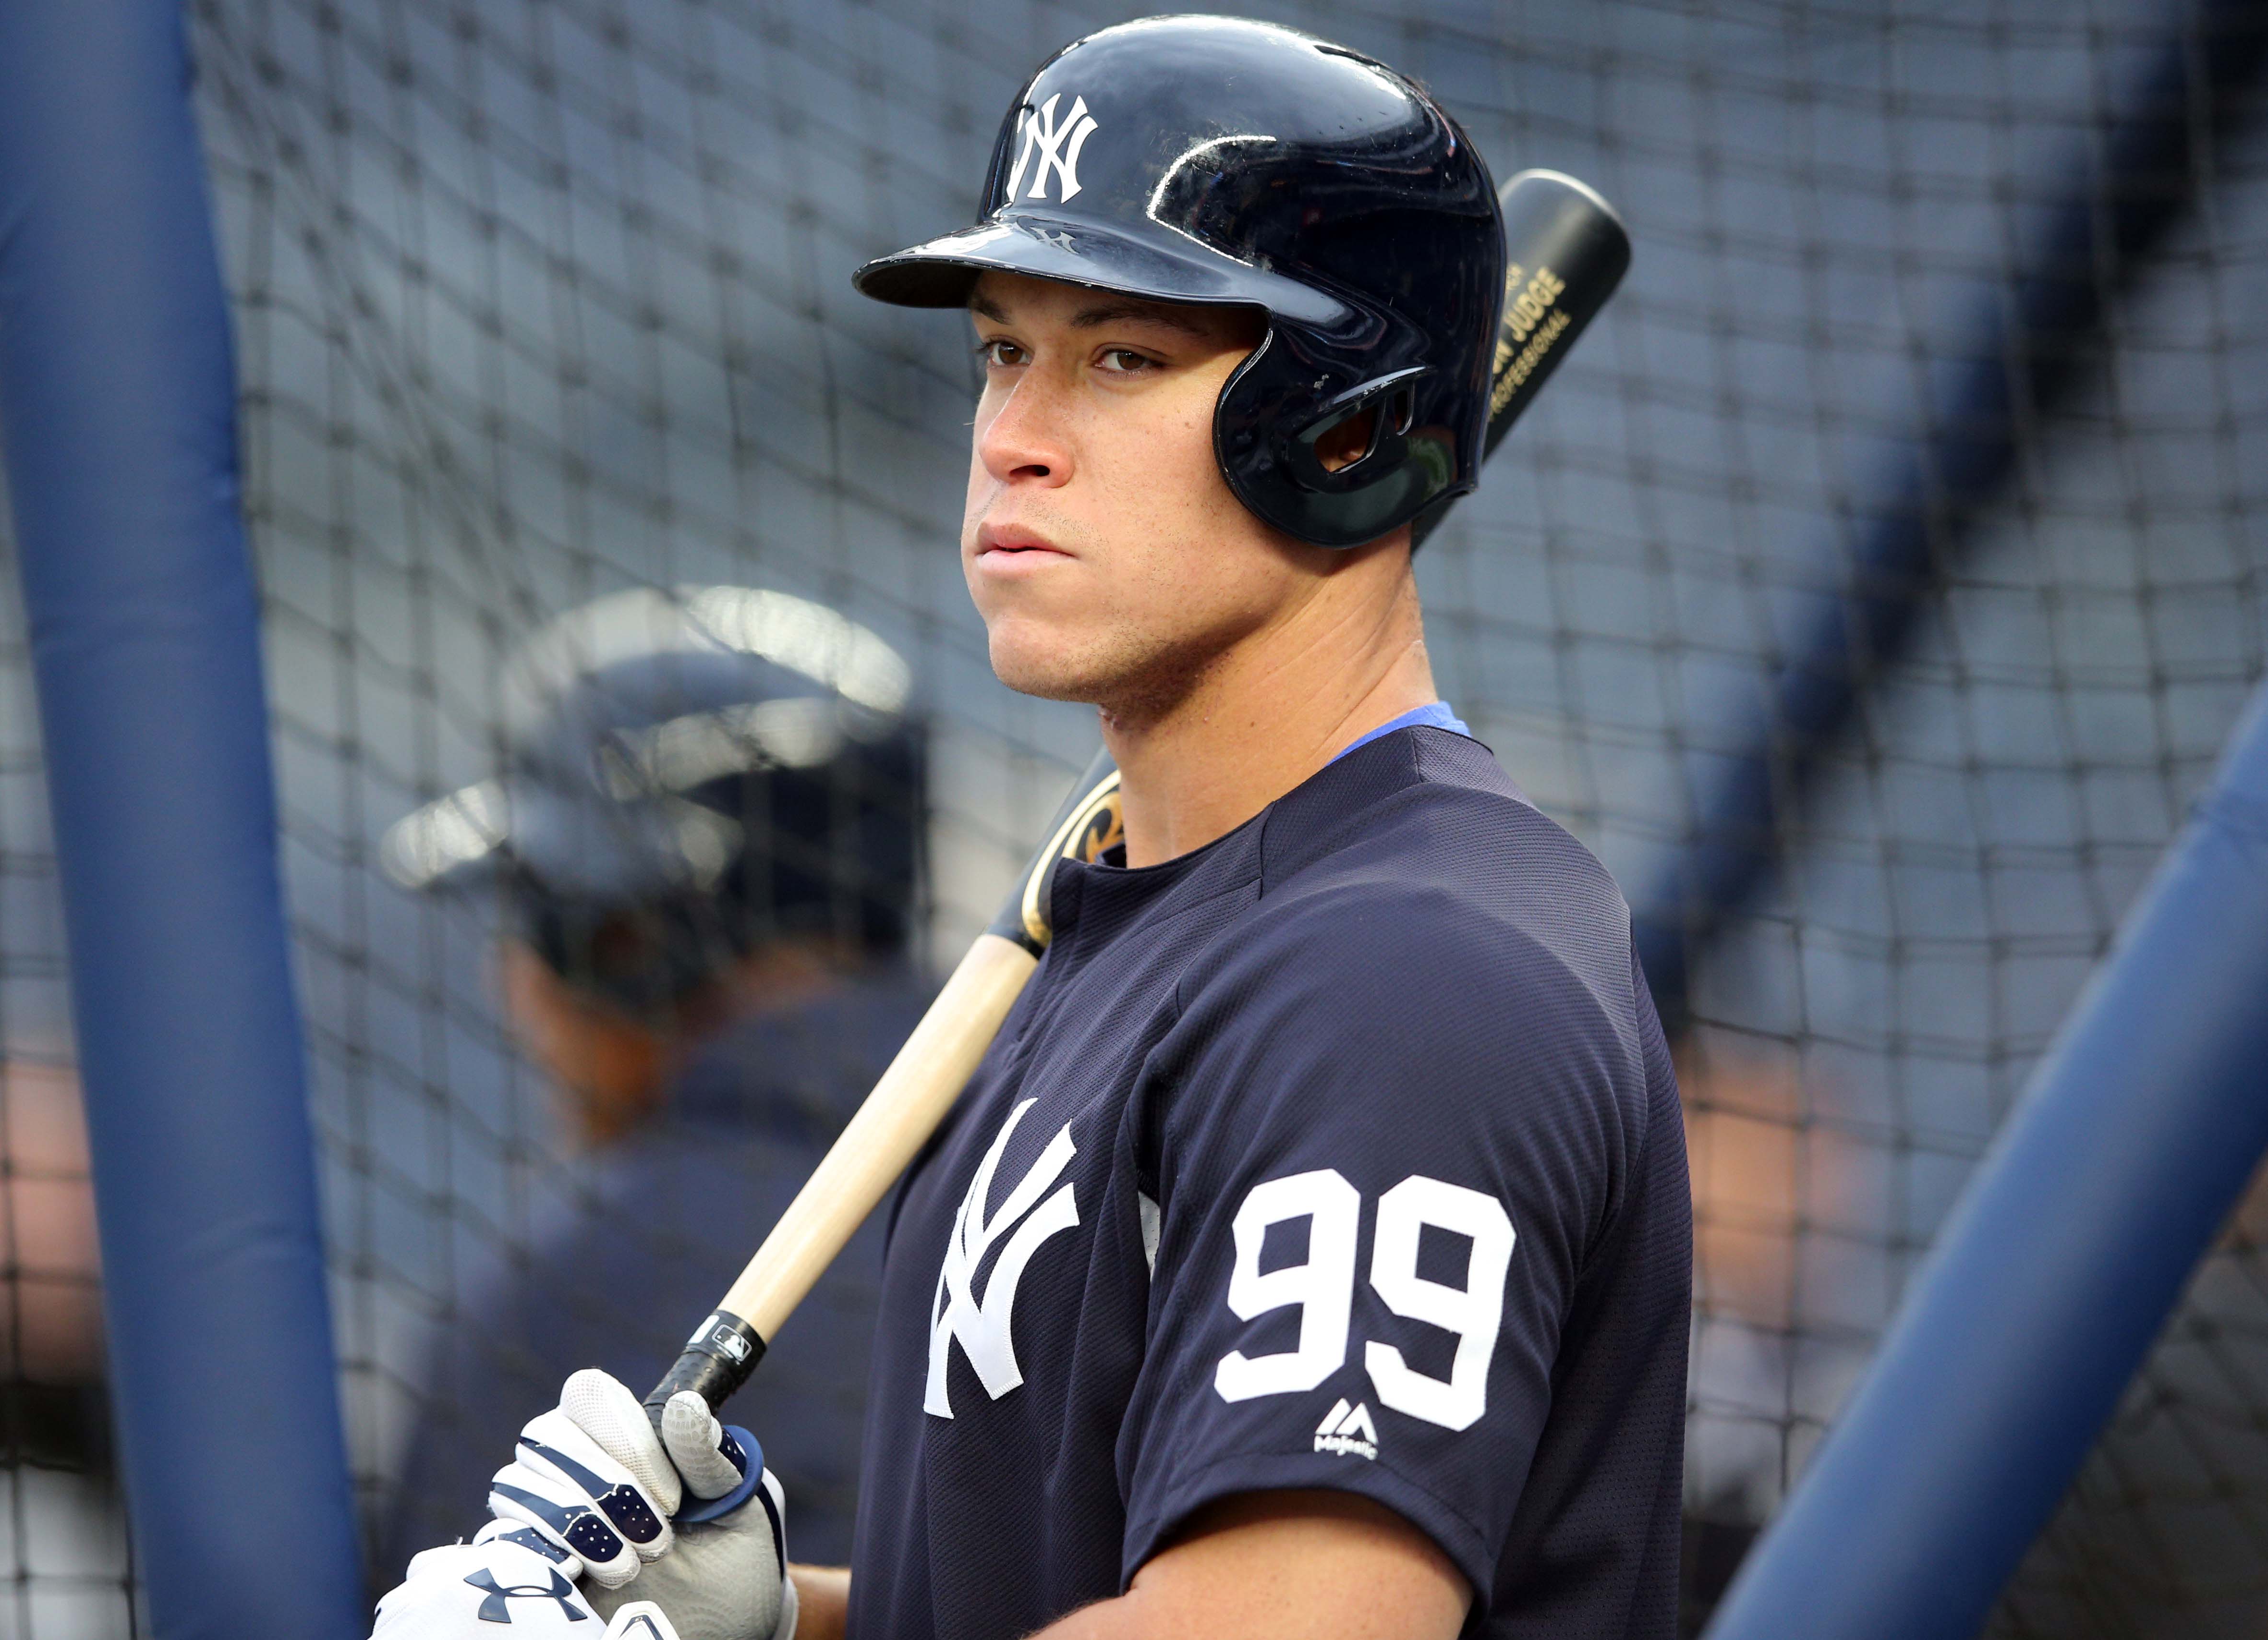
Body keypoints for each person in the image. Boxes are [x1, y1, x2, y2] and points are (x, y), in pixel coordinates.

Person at [371, 17, 1689, 1640]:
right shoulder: (1133, 913)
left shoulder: (1404, 976)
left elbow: (1285, 1621)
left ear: (1350, 430)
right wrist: (791, 1623)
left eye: (1121, 356)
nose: (1013, 433)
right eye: (1004, 348)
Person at [375, 585, 930, 1574]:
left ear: (631, 941)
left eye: (538, 915)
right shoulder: (1072, 1149)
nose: (513, 981)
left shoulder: (578, 1284)